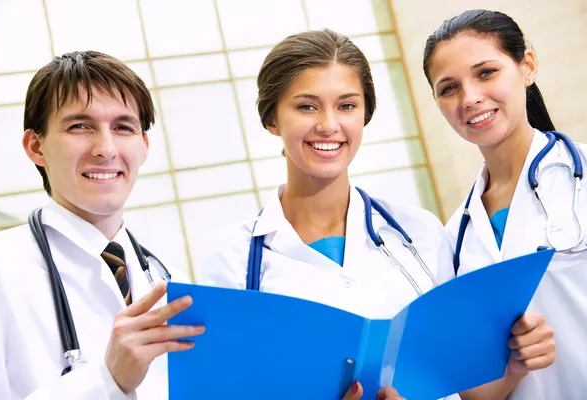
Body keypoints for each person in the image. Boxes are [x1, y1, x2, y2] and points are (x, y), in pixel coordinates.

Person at [200, 29, 553, 400]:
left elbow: (467, 388)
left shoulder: (421, 233)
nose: (328, 124)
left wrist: (513, 366)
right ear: (272, 119)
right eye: (306, 106)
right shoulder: (234, 258)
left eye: (347, 105)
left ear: (365, 114)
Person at [0, 51, 204, 399]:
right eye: (80, 126)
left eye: (123, 127)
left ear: (144, 146)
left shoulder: (172, 281)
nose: (105, 148)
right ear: (35, 146)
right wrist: (107, 379)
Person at [423, 9, 583, 399]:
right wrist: (514, 366)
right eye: (449, 88)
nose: (470, 98)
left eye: (486, 73)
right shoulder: (455, 238)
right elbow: (476, 392)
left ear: (527, 67)